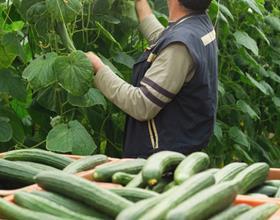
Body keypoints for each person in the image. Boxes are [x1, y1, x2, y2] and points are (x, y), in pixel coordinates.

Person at [86, 0, 218, 158]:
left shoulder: (180, 46)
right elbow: (165, 40)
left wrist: (99, 69)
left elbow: (142, 104)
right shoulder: (199, 25)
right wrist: (140, 3)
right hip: (182, 146)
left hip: (161, 159)